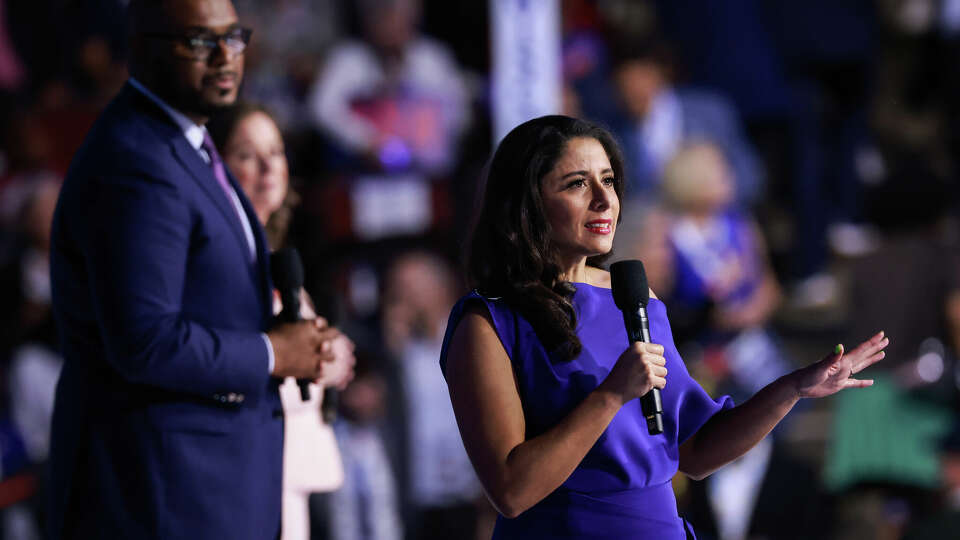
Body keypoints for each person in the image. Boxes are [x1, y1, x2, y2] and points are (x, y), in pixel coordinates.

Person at [438, 115, 889, 539]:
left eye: (608, 180)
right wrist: (611, 396)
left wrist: (793, 388)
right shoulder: (487, 323)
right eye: (578, 183)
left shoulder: (634, 298)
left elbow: (697, 451)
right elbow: (512, 492)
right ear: (528, 202)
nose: (603, 199)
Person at [47, 1, 338, 538]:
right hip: (163, 494)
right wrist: (276, 353)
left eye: (233, 37)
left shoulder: (186, 143)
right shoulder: (138, 162)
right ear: (141, 48)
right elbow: (145, 341)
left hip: (208, 486)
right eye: (200, 42)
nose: (225, 57)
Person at [208, 102, 355, 540]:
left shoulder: (277, 260)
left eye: (276, 151)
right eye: (247, 153)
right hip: (244, 478)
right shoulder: (215, 263)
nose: (269, 166)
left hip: (291, 475)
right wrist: (310, 356)